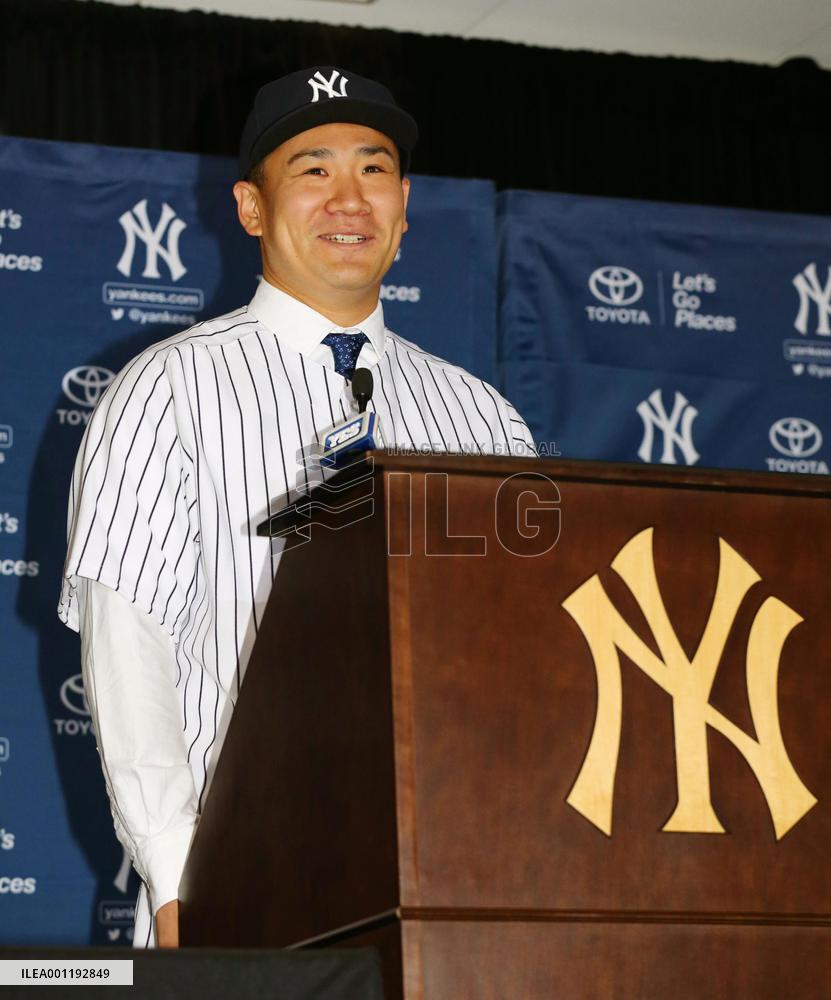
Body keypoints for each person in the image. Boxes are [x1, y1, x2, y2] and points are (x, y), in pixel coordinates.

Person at [58, 66, 535, 949]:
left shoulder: (484, 415)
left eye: (374, 168)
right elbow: (131, 656)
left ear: (405, 203)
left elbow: (526, 661)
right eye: (313, 169)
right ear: (249, 206)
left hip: (458, 882)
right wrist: (174, 877)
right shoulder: (166, 387)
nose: (348, 198)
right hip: (245, 875)